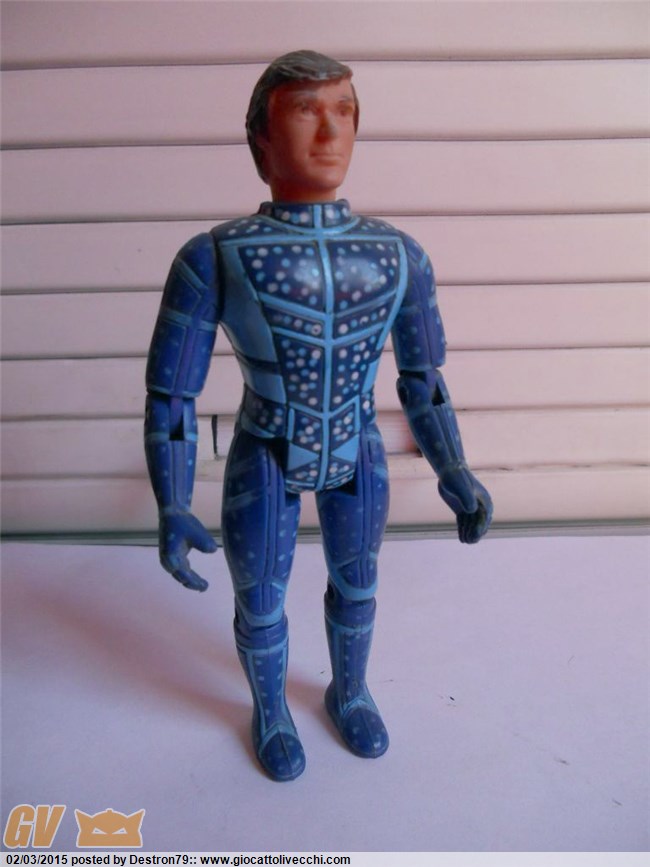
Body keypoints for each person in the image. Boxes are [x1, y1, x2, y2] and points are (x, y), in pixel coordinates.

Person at [144, 50, 493, 782]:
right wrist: (172, 502)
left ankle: (350, 690)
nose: (330, 132)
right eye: (306, 111)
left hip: (356, 446)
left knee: (358, 584)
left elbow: (424, 381)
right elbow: (172, 396)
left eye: (344, 112)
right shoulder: (213, 256)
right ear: (260, 140)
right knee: (260, 599)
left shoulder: (399, 255)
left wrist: (455, 469)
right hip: (266, 448)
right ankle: (270, 709)